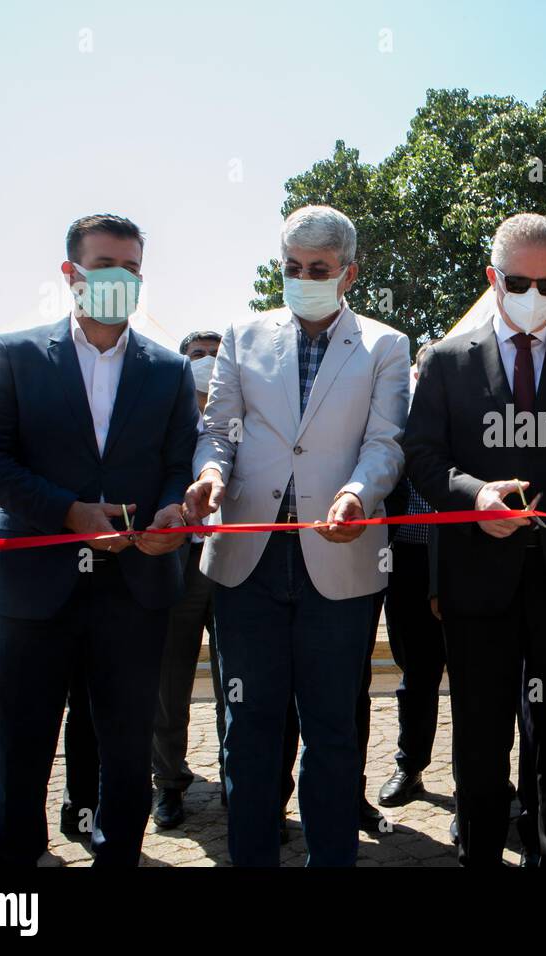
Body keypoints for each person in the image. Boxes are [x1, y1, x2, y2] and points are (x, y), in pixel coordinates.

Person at [0, 214, 197, 866]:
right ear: (71, 274)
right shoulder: (14, 355)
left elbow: (178, 463)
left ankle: (116, 856)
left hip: (135, 590)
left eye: (131, 270)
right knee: (19, 749)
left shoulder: (170, 370)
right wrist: (67, 513)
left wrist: (172, 513)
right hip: (33, 591)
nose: (119, 281)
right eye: (105, 267)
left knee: (124, 753)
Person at [403, 212, 546, 866]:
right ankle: (479, 855)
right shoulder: (448, 362)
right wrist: (473, 495)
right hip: (478, 585)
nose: (534, 295)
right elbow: (422, 455)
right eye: (518, 281)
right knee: (479, 746)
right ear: (492, 278)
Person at [184, 205, 410, 866]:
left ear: (348, 274)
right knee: (248, 730)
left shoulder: (385, 346)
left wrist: (356, 494)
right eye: (291, 267)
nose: (302, 278)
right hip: (246, 563)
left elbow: (385, 443)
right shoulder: (243, 334)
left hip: (340, 563)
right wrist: (208, 477)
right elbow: (218, 430)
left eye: (318, 269)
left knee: (333, 732)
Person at [149, 330, 222, 829]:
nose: (207, 363)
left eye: (216, 356)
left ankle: (241, 781)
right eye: (197, 355)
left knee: (237, 682)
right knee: (169, 682)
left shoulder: (239, 418)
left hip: (232, 562)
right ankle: (169, 782)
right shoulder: (167, 419)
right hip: (176, 565)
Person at [377, 343, 449, 811]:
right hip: (404, 562)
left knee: (478, 677)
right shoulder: (390, 425)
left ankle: (482, 781)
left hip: (464, 564)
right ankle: (411, 765)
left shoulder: (466, 422)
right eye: (423, 370)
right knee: (416, 673)